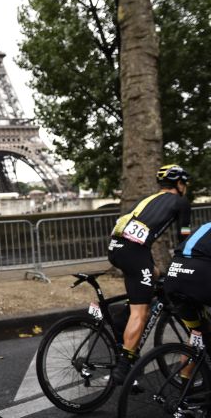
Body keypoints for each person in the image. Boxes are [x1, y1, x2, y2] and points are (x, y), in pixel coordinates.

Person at [108, 164, 191, 384]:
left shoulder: (148, 200)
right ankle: (124, 366)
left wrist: (159, 272)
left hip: (117, 248)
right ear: (180, 184)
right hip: (135, 252)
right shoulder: (181, 202)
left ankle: (120, 322)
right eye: (185, 184)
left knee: (154, 276)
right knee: (141, 311)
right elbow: (184, 242)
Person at [164, 222, 211, 351]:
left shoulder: (205, 226)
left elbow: (184, 231)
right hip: (200, 274)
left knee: (197, 335)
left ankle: (185, 372)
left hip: (174, 271)